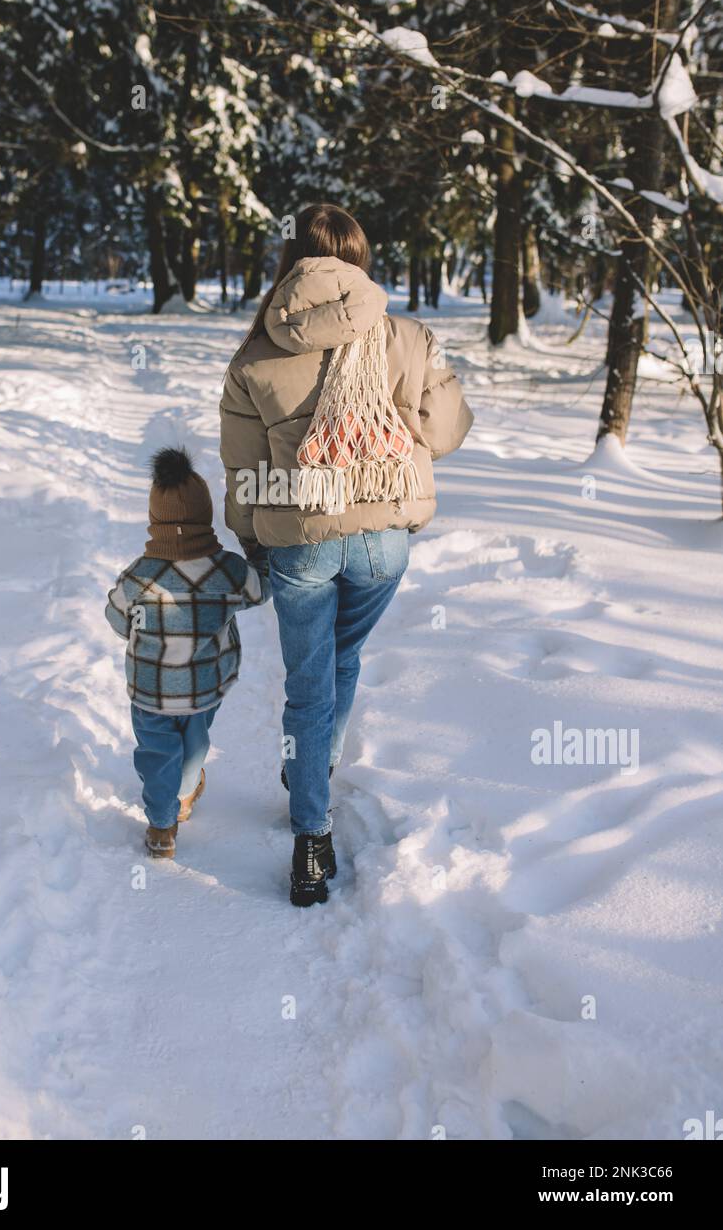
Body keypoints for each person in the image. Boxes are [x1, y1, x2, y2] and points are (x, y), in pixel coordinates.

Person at [220, 203, 473, 906]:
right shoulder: (409, 335)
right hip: (384, 540)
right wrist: (434, 376)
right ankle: (316, 774)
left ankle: (310, 836)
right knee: (345, 658)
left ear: (290, 263)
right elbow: (446, 431)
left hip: (301, 538)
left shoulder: (257, 355)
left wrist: (252, 540)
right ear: (358, 258)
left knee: (309, 682)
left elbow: (244, 472)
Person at [106, 447, 270, 859]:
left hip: (150, 692)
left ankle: (162, 826)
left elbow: (117, 619)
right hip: (203, 689)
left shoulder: (138, 576)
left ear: (154, 518)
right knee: (195, 743)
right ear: (205, 514)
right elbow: (261, 590)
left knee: (157, 752)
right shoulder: (227, 570)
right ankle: (184, 792)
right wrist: (259, 554)